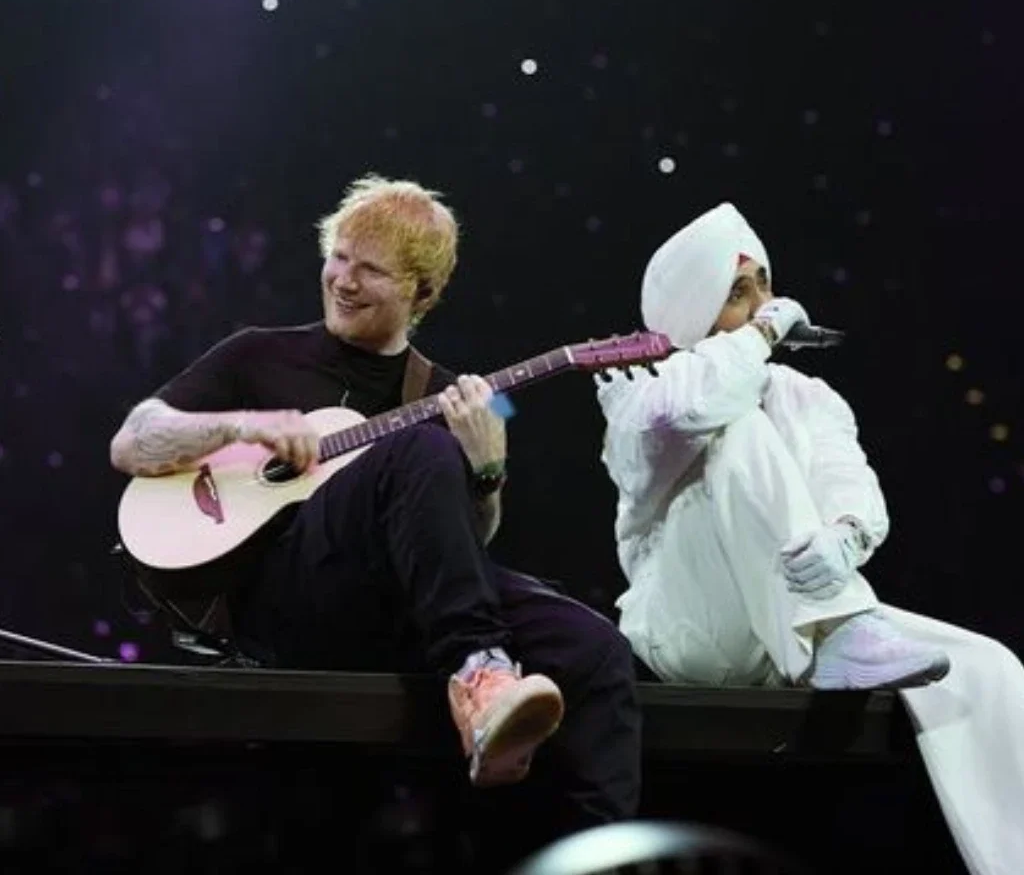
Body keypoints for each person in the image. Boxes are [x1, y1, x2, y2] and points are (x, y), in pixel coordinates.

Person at [109, 174, 641, 859]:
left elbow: (465, 544)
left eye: (371, 270)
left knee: (594, 648)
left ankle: (598, 857)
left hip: (398, 606)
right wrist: (243, 426)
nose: (344, 280)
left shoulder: (455, 394)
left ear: (423, 292)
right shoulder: (257, 352)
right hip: (286, 604)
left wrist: (488, 472)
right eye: (338, 257)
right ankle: (480, 675)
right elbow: (131, 441)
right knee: (418, 447)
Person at [594, 201, 1024, 875]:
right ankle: (839, 626)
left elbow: (846, 476)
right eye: (739, 293)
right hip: (696, 628)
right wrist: (762, 334)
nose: (766, 303)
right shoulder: (648, 395)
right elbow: (687, 411)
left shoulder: (807, 394)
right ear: (694, 313)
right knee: (737, 427)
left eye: (765, 284)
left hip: (792, 623)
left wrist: (845, 538)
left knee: (988, 669)